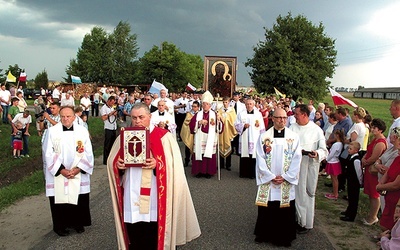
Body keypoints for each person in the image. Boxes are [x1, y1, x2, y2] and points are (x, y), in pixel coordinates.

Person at [107, 103, 201, 249]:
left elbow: (174, 166)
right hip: (132, 192)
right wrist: (119, 166)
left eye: (141, 117)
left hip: (154, 195)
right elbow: (112, 161)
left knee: (152, 231)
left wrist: (158, 164)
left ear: (150, 117)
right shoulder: (125, 136)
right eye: (134, 118)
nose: (137, 121)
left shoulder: (164, 137)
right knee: (134, 231)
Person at [42, 106, 94, 236]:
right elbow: (47, 152)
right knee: (60, 199)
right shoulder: (52, 131)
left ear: (74, 117)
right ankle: (60, 226)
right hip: (60, 172)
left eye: (68, 116)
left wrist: (78, 169)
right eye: (63, 116)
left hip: (77, 171)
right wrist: (61, 170)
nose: (65, 119)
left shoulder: (82, 131)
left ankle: (78, 223)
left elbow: (88, 152)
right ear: (59, 117)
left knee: (78, 198)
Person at [254, 108, 302, 247]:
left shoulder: (293, 137)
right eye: (279, 117)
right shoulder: (264, 137)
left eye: (285, 118)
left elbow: (297, 158)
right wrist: (269, 176)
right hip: (269, 180)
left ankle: (284, 237)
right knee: (268, 206)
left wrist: (287, 176)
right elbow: (260, 157)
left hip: (285, 179)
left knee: (284, 207)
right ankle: (264, 234)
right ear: (273, 118)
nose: (282, 120)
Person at [290, 104, 328, 233]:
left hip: (309, 165)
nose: (295, 116)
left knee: (307, 193)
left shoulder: (316, 130)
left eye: (297, 114)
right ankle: (295, 219)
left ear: (305, 115)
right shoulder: (292, 128)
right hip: (295, 166)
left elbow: (324, 149)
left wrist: (317, 153)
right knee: (295, 193)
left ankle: (306, 222)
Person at [189, 91, 223, 178]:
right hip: (200, 136)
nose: (205, 106)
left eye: (207, 104)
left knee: (209, 154)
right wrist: (199, 122)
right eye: (203, 104)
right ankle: (199, 171)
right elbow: (192, 125)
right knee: (199, 153)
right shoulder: (198, 114)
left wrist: (219, 121)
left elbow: (220, 128)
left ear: (210, 105)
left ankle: (209, 172)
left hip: (210, 137)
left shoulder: (215, 114)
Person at [362, 118, 387, 226]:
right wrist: (364, 158)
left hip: (373, 170)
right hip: (368, 168)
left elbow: (374, 157)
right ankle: (371, 215)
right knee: (370, 193)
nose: (372, 129)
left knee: (374, 194)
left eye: (374, 128)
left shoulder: (381, 142)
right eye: (372, 127)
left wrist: (366, 162)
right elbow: (368, 151)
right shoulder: (375, 139)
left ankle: (373, 216)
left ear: (380, 130)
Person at [376, 127, 400, 232]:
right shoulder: (397, 158)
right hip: (388, 194)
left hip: (396, 197)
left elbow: (396, 184)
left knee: (392, 224)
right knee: (385, 221)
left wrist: (380, 186)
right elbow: (388, 171)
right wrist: (381, 183)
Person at [234, 98, 265, 179]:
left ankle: (252, 174)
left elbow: (262, 127)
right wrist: (243, 126)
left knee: (253, 155)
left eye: (250, 104)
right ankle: (244, 173)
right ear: (245, 105)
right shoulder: (241, 114)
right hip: (244, 137)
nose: (249, 105)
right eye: (247, 104)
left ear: (254, 105)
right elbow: (236, 125)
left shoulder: (258, 114)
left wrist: (262, 138)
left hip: (255, 138)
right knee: (244, 155)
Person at [340, 141, 363, 222]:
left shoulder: (356, 160)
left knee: (354, 199)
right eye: (348, 148)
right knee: (350, 196)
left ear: (356, 150)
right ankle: (348, 211)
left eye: (350, 149)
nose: (348, 150)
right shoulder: (351, 157)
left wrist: (360, 182)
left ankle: (351, 216)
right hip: (350, 180)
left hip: (355, 182)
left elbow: (359, 172)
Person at [217, 97, 237, 171]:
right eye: (224, 102)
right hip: (221, 131)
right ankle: (221, 163)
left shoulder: (232, 110)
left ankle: (228, 164)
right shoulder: (220, 110)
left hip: (228, 131)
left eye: (226, 102)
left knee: (228, 145)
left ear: (229, 102)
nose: (225, 104)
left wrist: (227, 118)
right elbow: (217, 118)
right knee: (221, 145)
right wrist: (218, 118)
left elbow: (234, 121)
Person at [324, 129, 345, 200]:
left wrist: (326, 159)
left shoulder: (336, 144)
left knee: (334, 179)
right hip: (335, 161)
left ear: (337, 135)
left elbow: (331, 154)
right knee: (334, 179)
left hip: (332, 162)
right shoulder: (341, 144)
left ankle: (335, 194)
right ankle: (335, 193)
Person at [180, 101, 200, 167]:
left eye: (195, 107)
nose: (193, 108)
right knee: (188, 147)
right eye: (192, 106)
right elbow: (186, 122)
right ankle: (186, 160)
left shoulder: (200, 114)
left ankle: (194, 161)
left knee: (196, 147)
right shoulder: (189, 114)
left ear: (198, 107)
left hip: (197, 133)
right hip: (190, 133)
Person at [100, 96, 118, 165]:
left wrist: (115, 114)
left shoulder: (112, 107)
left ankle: (111, 158)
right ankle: (105, 160)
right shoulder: (104, 108)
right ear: (109, 101)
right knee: (107, 144)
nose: (112, 104)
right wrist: (111, 114)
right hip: (108, 127)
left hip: (113, 127)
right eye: (112, 102)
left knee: (112, 144)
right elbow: (103, 118)